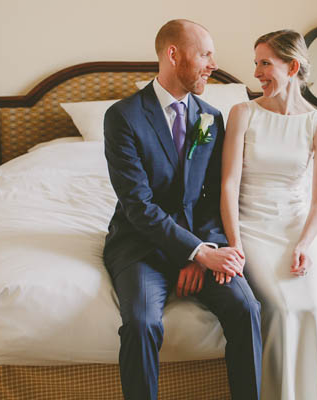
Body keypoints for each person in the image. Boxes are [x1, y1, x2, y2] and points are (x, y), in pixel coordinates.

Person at [103, 19, 262, 400]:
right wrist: (198, 252)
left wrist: (201, 254)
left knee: (247, 308)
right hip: (140, 245)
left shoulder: (210, 116)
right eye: (205, 54)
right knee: (141, 324)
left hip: (199, 241)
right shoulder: (122, 117)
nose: (212, 64)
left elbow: (212, 197)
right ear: (173, 55)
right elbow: (138, 206)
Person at [219, 29, 317, 399]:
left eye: (265, 63)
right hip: (252, 228)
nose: (256, 72)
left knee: (316, 304)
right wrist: (235, 243)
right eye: (256, 63)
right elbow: (228, 184)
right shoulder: (243, 113)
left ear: (292, 66)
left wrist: (305, 242)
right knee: (282, 305)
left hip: (295, 226)